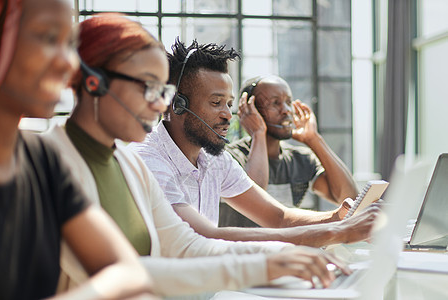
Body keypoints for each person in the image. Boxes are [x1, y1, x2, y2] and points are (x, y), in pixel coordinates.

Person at [42, 13, 350, 298]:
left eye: (161, 92)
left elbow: (189, 246)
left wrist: (288, 251)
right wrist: (275, 259)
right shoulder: (55, 162)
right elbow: (122, 273)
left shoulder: (128, 164)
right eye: (149, 88)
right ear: (96, 82)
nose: (158, 105)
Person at [131, 39, 379, 248]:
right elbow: (204, 237)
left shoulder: (214, 159)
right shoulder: (149, 161)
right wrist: (335, 232)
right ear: (177, 105)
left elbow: (278, 217)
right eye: (216, 103)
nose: (228, 114)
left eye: (229, 104)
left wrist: (336, 217)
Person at [0, 1, 155, 299]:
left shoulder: (41, 159)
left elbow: (130, 271)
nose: (70, 64)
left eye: (69, 44)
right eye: (47, 38)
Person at [220, 75, 359, 227]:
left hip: (287, 249)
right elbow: (254, 195)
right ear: (248, 108)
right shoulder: (231, 158)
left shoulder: (300, 159)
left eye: (288, 102)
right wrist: (258, 133)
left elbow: (350, 197)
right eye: (275, 103)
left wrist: (314, 139)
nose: (286, 110)